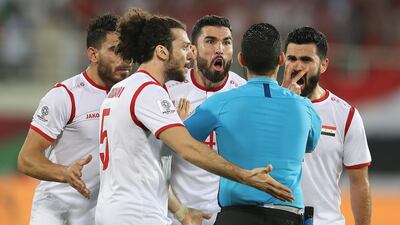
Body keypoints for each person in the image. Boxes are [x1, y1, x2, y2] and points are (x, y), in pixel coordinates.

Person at [95, 8, 293, 225]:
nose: (190, 55)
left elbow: (149, 161)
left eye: (226, 42)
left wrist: (182, 212)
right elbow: (187, 147)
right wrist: (245, 176)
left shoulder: (121, 89)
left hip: (117, 208)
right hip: (138, 214)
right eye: (184, 47)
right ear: (162, 52)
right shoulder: (150, 92)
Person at [182, 22, 322, 225]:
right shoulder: (304, 107)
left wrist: (178, 120)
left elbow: (181, 141)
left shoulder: (219, 103)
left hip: (238, 217)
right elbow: (310, 145)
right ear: (281, 59)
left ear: (241, 59)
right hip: (289, 216)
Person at [17, 14, 132, 225]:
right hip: (56, 210)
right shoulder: (65, 96)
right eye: (115, 50)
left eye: (128, 51)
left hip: (100, 213)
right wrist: (65, 173)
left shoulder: (133, 97)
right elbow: (26, 159)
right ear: (93, 54)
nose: (125, 59)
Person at [283, 26, 372, 225]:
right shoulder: (267, 107)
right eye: (292, 59)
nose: (297, 66)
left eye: (306, 60)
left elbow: (359, 182)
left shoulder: (345, 115)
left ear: (323, 65)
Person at [165, 15, 246, 225]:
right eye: (210, 41)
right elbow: (150, 158)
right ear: (193, 50)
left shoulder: (244, 93)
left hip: (227, 216)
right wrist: (175, 134)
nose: (219, 49)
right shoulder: (168, 90)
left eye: (226, 42)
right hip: (175, 216)